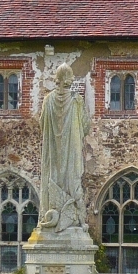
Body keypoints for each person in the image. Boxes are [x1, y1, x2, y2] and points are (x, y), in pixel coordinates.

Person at [38, 63, 87, 232]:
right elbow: (85, 125)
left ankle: (49, 216)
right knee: (73, 181)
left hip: (52, 154)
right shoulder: (76, 99)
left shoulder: (48, 100)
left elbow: (42, 123)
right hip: (71, 152)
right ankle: (76, 219)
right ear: (69, 79)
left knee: (51, 178)